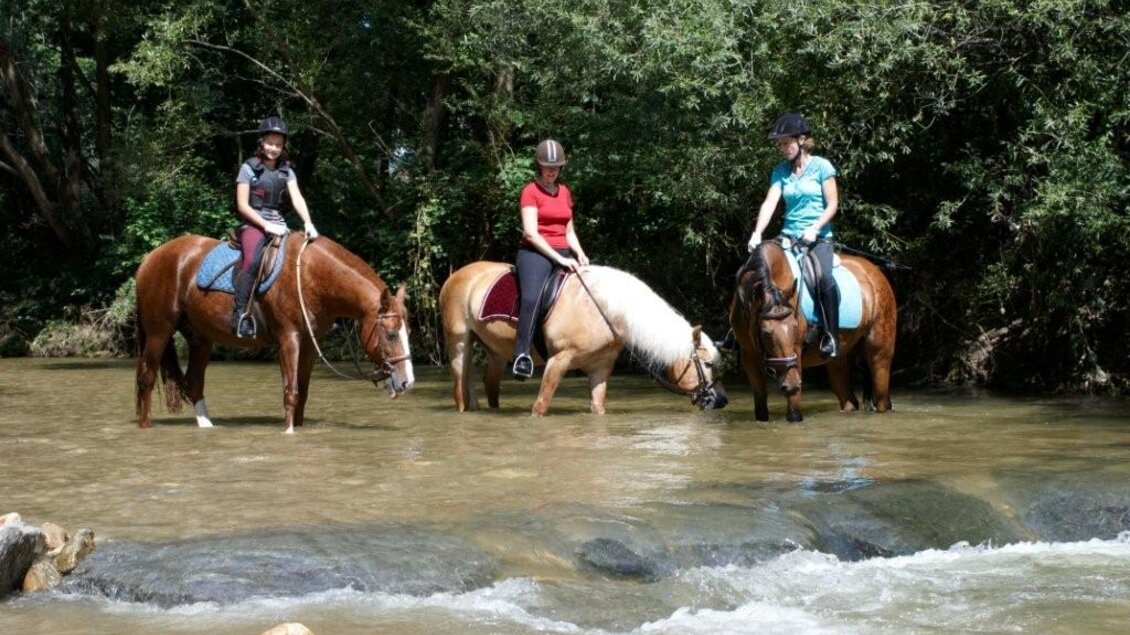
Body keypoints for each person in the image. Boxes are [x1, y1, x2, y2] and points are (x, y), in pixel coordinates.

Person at [747, 112, 841, 358]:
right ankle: (740, 336)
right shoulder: (780, 171)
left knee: (824, 279)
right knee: (754, 273)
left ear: (801, 141)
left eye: (786, 143)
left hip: (818, 238)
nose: (782, 148)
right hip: (787, 238)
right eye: (780, 144)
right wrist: (757, 233)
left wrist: (815, 228)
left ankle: (831, 336)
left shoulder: (822, 166)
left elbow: (833, 204)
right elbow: (770, 203)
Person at [231, 115, 319, 338]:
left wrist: (308, 222)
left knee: (305, 258)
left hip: (279, 224)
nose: (274, 148)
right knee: (252, 261)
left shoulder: (287, 171)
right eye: (270, 143)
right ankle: (241, 315)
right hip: (254, 224)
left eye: (278, 145)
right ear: (262, 142)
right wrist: (266, 225)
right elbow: (242, 205)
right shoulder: (248, 168)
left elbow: (297, 198)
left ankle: (312, 314)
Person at [511, 139, 589, 379]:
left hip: (565, 253)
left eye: (555, 167)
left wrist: (580, 253)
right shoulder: (530, 192)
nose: (551, 170)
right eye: (546, 166)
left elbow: (569, 231)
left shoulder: (564, 192)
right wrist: (560, 258)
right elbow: (531, 233)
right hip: (535, 254)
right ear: (539, 166)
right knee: (532, 297)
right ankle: (522, 355)